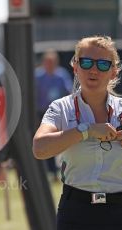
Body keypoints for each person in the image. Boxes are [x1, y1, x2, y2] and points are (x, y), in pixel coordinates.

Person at [33, 35, 122, 229]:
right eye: (86, 62)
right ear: (75, 67)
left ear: (113, 71)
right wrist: (86, 130)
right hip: (76, 210)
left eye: (103, 64)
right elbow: (39, 148)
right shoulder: (61, 108)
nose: (94, 69)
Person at [35, 49, 73, 182]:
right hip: (42, 115)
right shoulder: (37, 76)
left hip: (59, 114)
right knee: (45, 142)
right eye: (47, 62)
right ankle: (47, 172)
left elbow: (69, 92)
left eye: (52, 62)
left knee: (63, 142)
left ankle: (60, 171)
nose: (50, 64)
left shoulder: (61, 75)